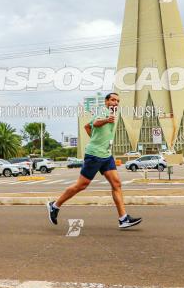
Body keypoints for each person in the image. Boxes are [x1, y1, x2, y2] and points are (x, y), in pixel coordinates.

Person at [47, 92, 141, 229]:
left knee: (117, 184)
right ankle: (54, 206)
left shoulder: (111, 113)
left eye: (117, 101)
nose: (115, 103)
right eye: (113, 100)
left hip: (106, 155)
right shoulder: (104, 111)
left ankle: (123, 218)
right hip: (94, 155)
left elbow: (87, 126)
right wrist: (106, 121)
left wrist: (94, 139)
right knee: (82, 185)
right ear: (106, 101)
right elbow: (96, 123)